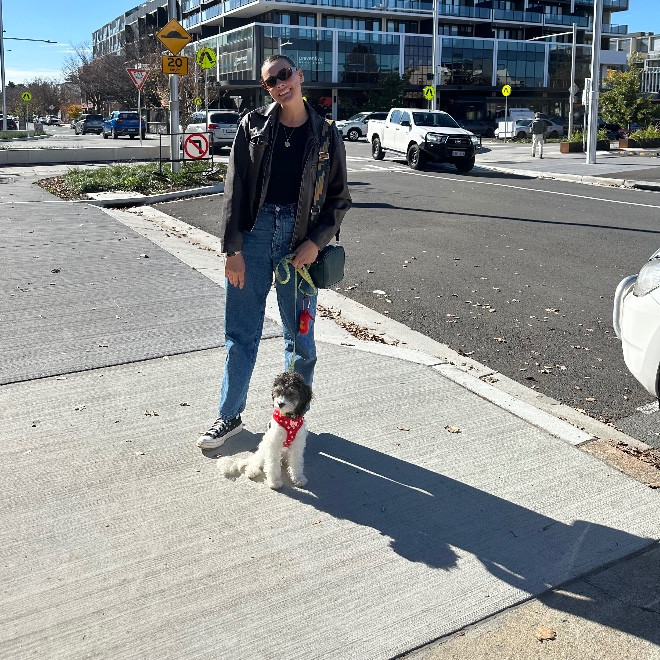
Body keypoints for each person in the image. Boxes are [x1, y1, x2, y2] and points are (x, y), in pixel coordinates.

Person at [198, 54, 352, 449]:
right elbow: (235, 189)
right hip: (254, 235)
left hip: (298, 243)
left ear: (299, 75)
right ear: (266, 89)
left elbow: (339, 199)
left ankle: (289, 423)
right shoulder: (252, 125)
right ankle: (228, 416)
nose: (280, 84)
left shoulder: (326, 133)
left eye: (284, 75)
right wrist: (232, 249)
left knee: (300, 340)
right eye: (271, 81)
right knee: (240, 333)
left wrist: (316, 243)